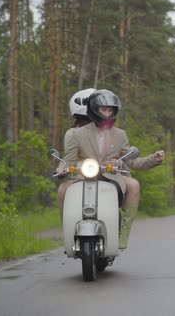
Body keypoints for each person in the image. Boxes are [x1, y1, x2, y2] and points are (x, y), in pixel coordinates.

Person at [56, 89, 164, 249]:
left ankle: (123, 234)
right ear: (94, 109)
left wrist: (153, 159)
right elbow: (68, 159)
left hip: (111, 176)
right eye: (103, 110)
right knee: (62, 190)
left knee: (134, 184)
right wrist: (62, 169)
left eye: (110, 110)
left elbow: (133, 162)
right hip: (83, 176)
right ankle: (68, 235)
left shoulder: (120, 134)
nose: (107, 113)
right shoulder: (76, 134)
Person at [56, 88, 96, 217]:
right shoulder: (71, 133)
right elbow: (69, 156)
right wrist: (61, 168)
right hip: (80, 176)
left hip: (104, 174)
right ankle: (67, 226)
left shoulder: (107, 131)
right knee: (62, 190)